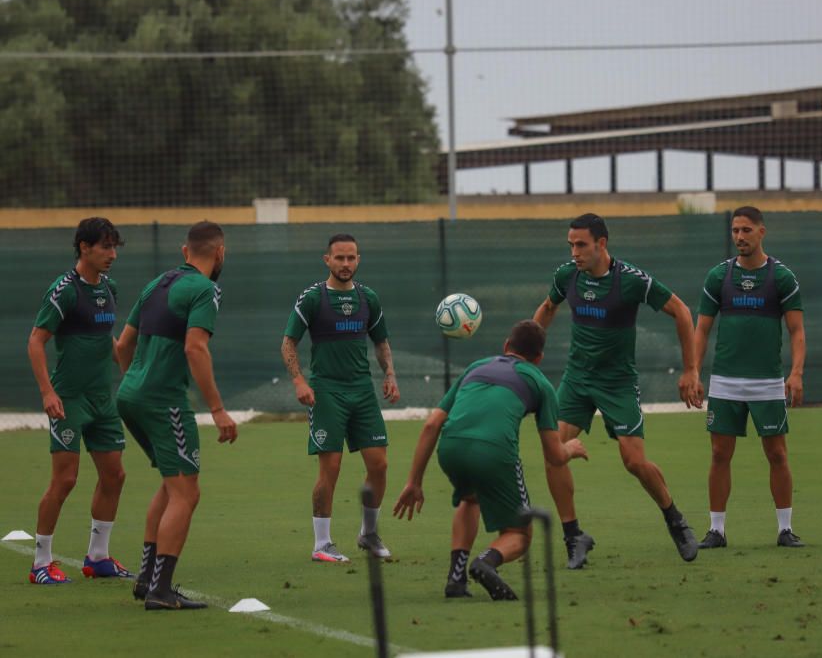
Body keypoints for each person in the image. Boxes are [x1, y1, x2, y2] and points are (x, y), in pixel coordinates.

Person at [533, 212, 702, 568]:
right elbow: (548, 308)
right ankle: (573, 536)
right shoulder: (567, 276)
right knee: (554, 452)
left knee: (634, 461)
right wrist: (524, 354)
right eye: (571, 245)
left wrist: (690, 370)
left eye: (581, 245)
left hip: (617, 384)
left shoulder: (630, 281)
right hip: (577, 380)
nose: (575, 252)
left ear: (601, 244)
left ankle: (675, 519)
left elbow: (682, 312)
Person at [393, 320, 588, 599]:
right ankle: (486, 561)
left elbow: (431, 424)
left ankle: (456, 579)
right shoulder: (542, 383)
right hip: (494, 452)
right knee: (520, 533)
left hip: (451, 447)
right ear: (539, 359)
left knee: (469, 498)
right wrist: (571, 448)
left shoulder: (476, 366)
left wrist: (414, 481)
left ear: (506, 346)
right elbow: (554, 456)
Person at [116, 221, 238, 610]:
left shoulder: (157, 283)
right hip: (164, 399)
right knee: (187, 492)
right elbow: (195, 349)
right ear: (219, 253)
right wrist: (217, 410)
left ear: (185, 252)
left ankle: (146, 581)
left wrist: (136, 382)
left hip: (130, 394)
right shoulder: (206, 289)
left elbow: (123, 344)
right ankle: (161, 591)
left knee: (172, 486)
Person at [281, 233, 400, 564]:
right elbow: (288, 343)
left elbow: (381, 342)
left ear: (358, 260)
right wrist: (299, 381)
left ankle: (368, 533)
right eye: (340, 258)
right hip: (326, 392)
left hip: (362, 391)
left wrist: (389, 374)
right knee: (330, 466)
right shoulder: (313, 298)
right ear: (327, 260)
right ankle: (322, 543)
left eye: (351, 258)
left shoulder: (368, 298)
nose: (346, 264)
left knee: (380, 464)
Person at [692, 206, 806, 550]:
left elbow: (797, 330)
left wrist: (796, 373)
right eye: (735, 230)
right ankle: (716, 530)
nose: (739, 237)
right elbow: (701, 330)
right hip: (725, 381)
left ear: (761, 232)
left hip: (767, 382)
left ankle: (785, 529)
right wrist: (693, 372)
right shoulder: (718, 277)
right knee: (719, 454)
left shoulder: (781, 277)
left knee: (777, 454)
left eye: (746, 230)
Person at [26, 218, 130, 584]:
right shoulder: (64, 290)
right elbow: (36, 341)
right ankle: (40, 562)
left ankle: (98, 557)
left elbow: (109, 339)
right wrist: (47, 392)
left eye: (115, 247)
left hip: (104, 400)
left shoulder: (110, 288)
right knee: (65, 480)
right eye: (105, 247)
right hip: (69, 400)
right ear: (84, 247)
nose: (112, 254)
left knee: (114, 475)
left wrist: (129, 374)